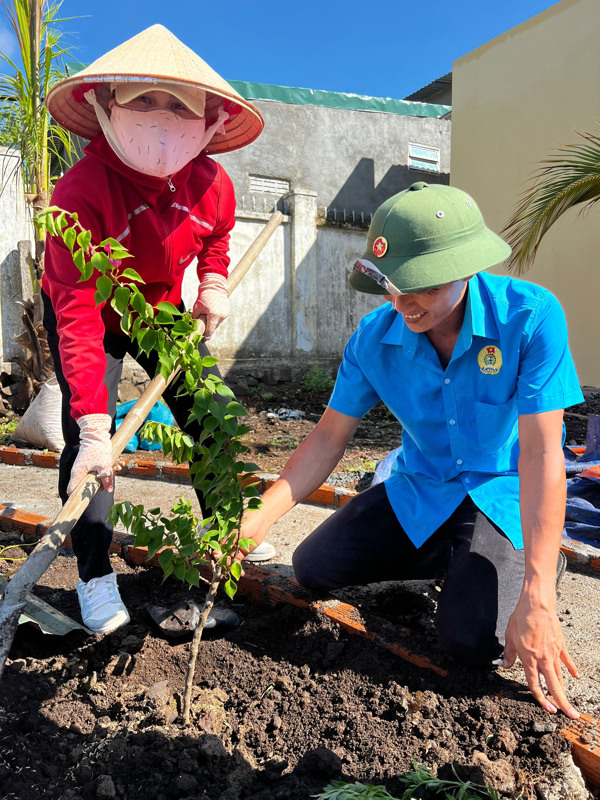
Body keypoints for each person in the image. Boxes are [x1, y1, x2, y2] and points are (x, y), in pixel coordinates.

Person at [239, 181, 583, 718]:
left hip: (505, 495)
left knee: (470, 643)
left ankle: (526, 561)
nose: (403, 303)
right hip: (420, 489)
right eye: (391, 286)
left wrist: (537, 596)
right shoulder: (374, 338)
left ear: (466, 266)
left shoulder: (530, 318)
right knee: (312, 568)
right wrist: (262, 513)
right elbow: (329, 436)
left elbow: (542, 455)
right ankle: (457, 561)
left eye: (420, 286)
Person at [42, 24, 275, 635]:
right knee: (92, 450)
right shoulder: (78, 196)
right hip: (88, 314)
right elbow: (75, 315)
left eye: (179, 105)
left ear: (209, 122)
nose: (161, 118)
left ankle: (228, 536)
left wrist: (215, 283)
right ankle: (93, 576)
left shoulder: (212, 183)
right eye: (142, 99)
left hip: (161, 312)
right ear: (105, 105)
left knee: (208, 416)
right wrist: (96, 423)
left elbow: (217, 237)